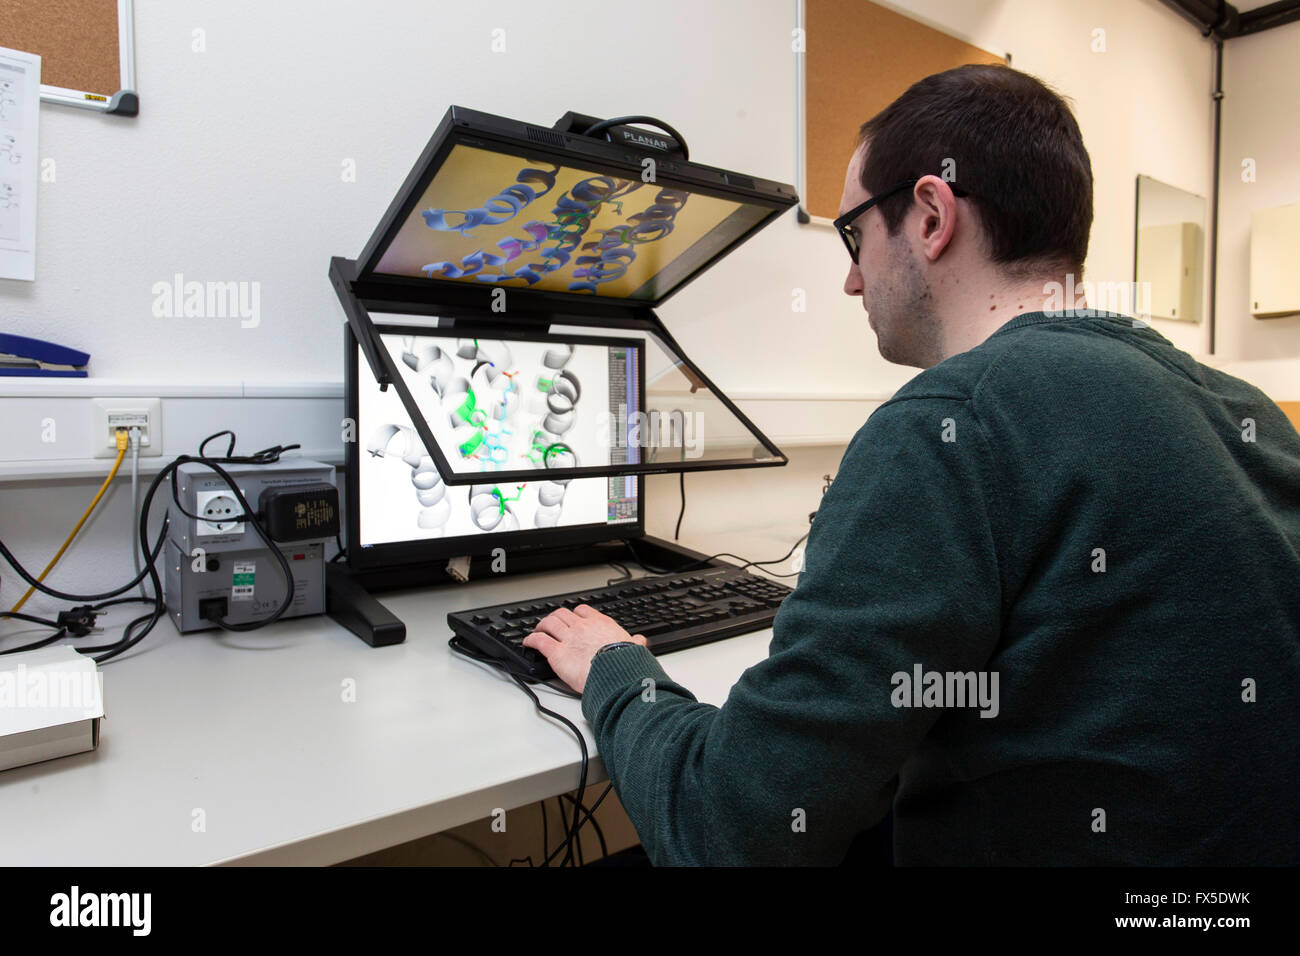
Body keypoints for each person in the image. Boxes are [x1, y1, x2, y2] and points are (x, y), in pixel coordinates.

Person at [522, 64, 1300, 865]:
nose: (853, 278)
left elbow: (731, 829)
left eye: (854, 235)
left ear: (931, 215)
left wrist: (618, 673)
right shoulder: (1250, 415)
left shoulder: (951, 425)